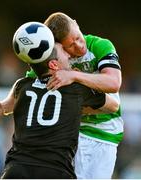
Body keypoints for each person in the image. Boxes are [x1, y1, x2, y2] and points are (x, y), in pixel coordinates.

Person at [0, 43, 119, 179]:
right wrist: (78, 81)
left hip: (16, 169)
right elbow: (113, 106)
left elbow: (12, 100)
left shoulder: (22, 86)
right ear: (54, 64)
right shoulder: (76, 89)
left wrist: (3, 107)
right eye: (63, 51)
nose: (69, 55)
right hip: (54, 170)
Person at [42, 12, 123, 179]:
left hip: (103, 132)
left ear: (76, 24)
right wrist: (4, 106)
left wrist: (74, 76)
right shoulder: (57, 57)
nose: (79, 46)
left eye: (78, 37)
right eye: (71, 45)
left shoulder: (99, 45)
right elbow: (31, 82)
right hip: (71, 132)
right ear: (59, 46)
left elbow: (114, 82)